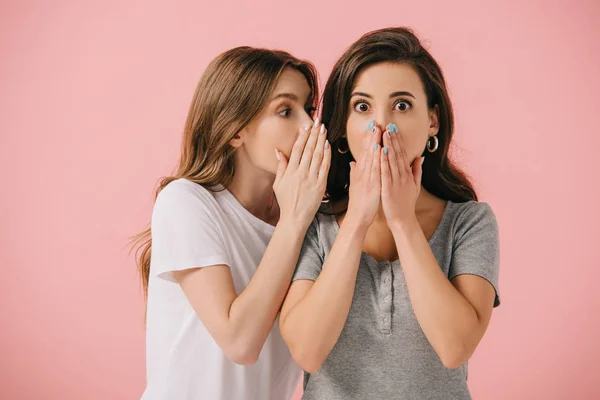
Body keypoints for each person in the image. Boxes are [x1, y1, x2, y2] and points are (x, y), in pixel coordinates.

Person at [280, 27, 500, 400]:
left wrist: (403, 222)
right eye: (362, 107)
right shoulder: (314, 224)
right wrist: (357, 221)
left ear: (433, 120)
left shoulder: (471, 222)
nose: (380, 126)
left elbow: (455, 347)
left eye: (401, 105)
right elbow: (307, 351)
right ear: (343, 127)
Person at [133, 46, 331, 400]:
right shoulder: (186, 202)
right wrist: (295, 220)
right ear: (235, 131)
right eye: (286, 111)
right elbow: (240, 342)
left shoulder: (313, 221)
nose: (308, 126)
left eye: (308, 109)